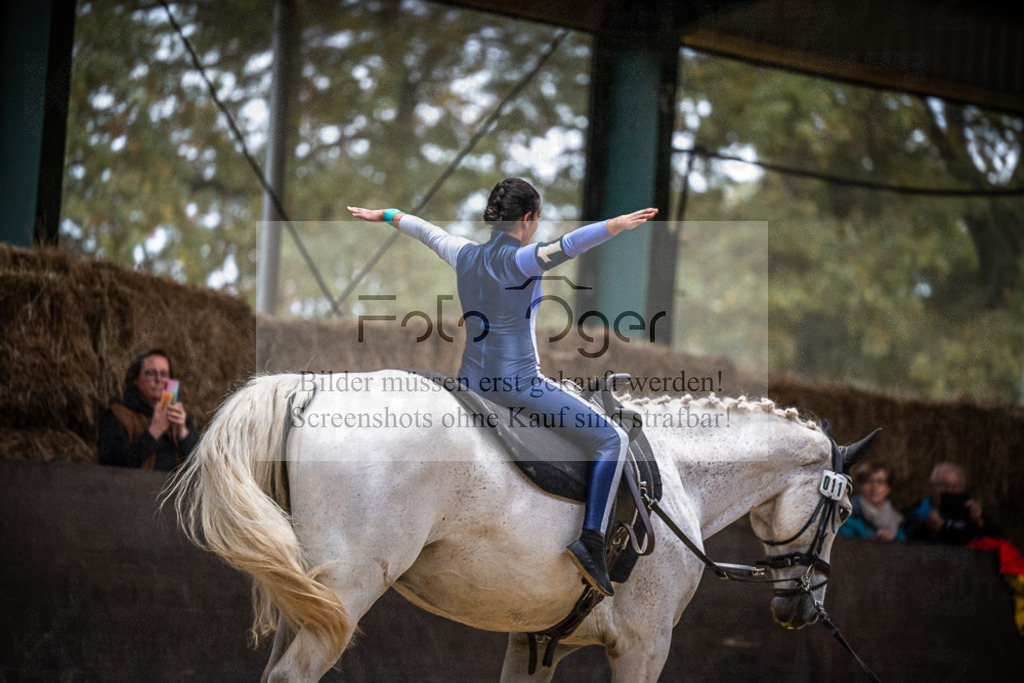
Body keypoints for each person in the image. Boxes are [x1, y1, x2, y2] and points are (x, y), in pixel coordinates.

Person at [348, 177, 658, 597]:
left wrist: (383, 215)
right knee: (613, 437)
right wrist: (616, 225)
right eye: (536, 219)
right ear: (528, 218)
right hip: (517, 386)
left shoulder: (463, 253)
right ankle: (591, 541)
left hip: (470, 384)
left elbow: (420, 228)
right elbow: (570, 244)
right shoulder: (525, 260)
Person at [97, 348, 199, 471]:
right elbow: (111, 465)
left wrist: (183, 433)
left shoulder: (179, 420)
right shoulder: (117, 415)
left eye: (164, 374)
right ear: (135, 379)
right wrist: (154, 431)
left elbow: (201, 466)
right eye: (151, 373)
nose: (158, 379)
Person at [902, 462, 999, 545]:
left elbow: (999, 541)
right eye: (944, 485)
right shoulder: (911, 514)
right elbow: (903, 544)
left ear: (963, 490)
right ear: (931, 487)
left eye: (955, 487)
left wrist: (980, 522)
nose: (949, 491)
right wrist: (928, 530)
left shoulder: (969, 514)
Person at [837, 463, 905, 541]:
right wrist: (874, 538)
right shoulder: (846, 516)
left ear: (888, 488)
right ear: (859, 486)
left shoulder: (896, 519)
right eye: (868, 481)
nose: (874, 486)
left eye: (880, 482)